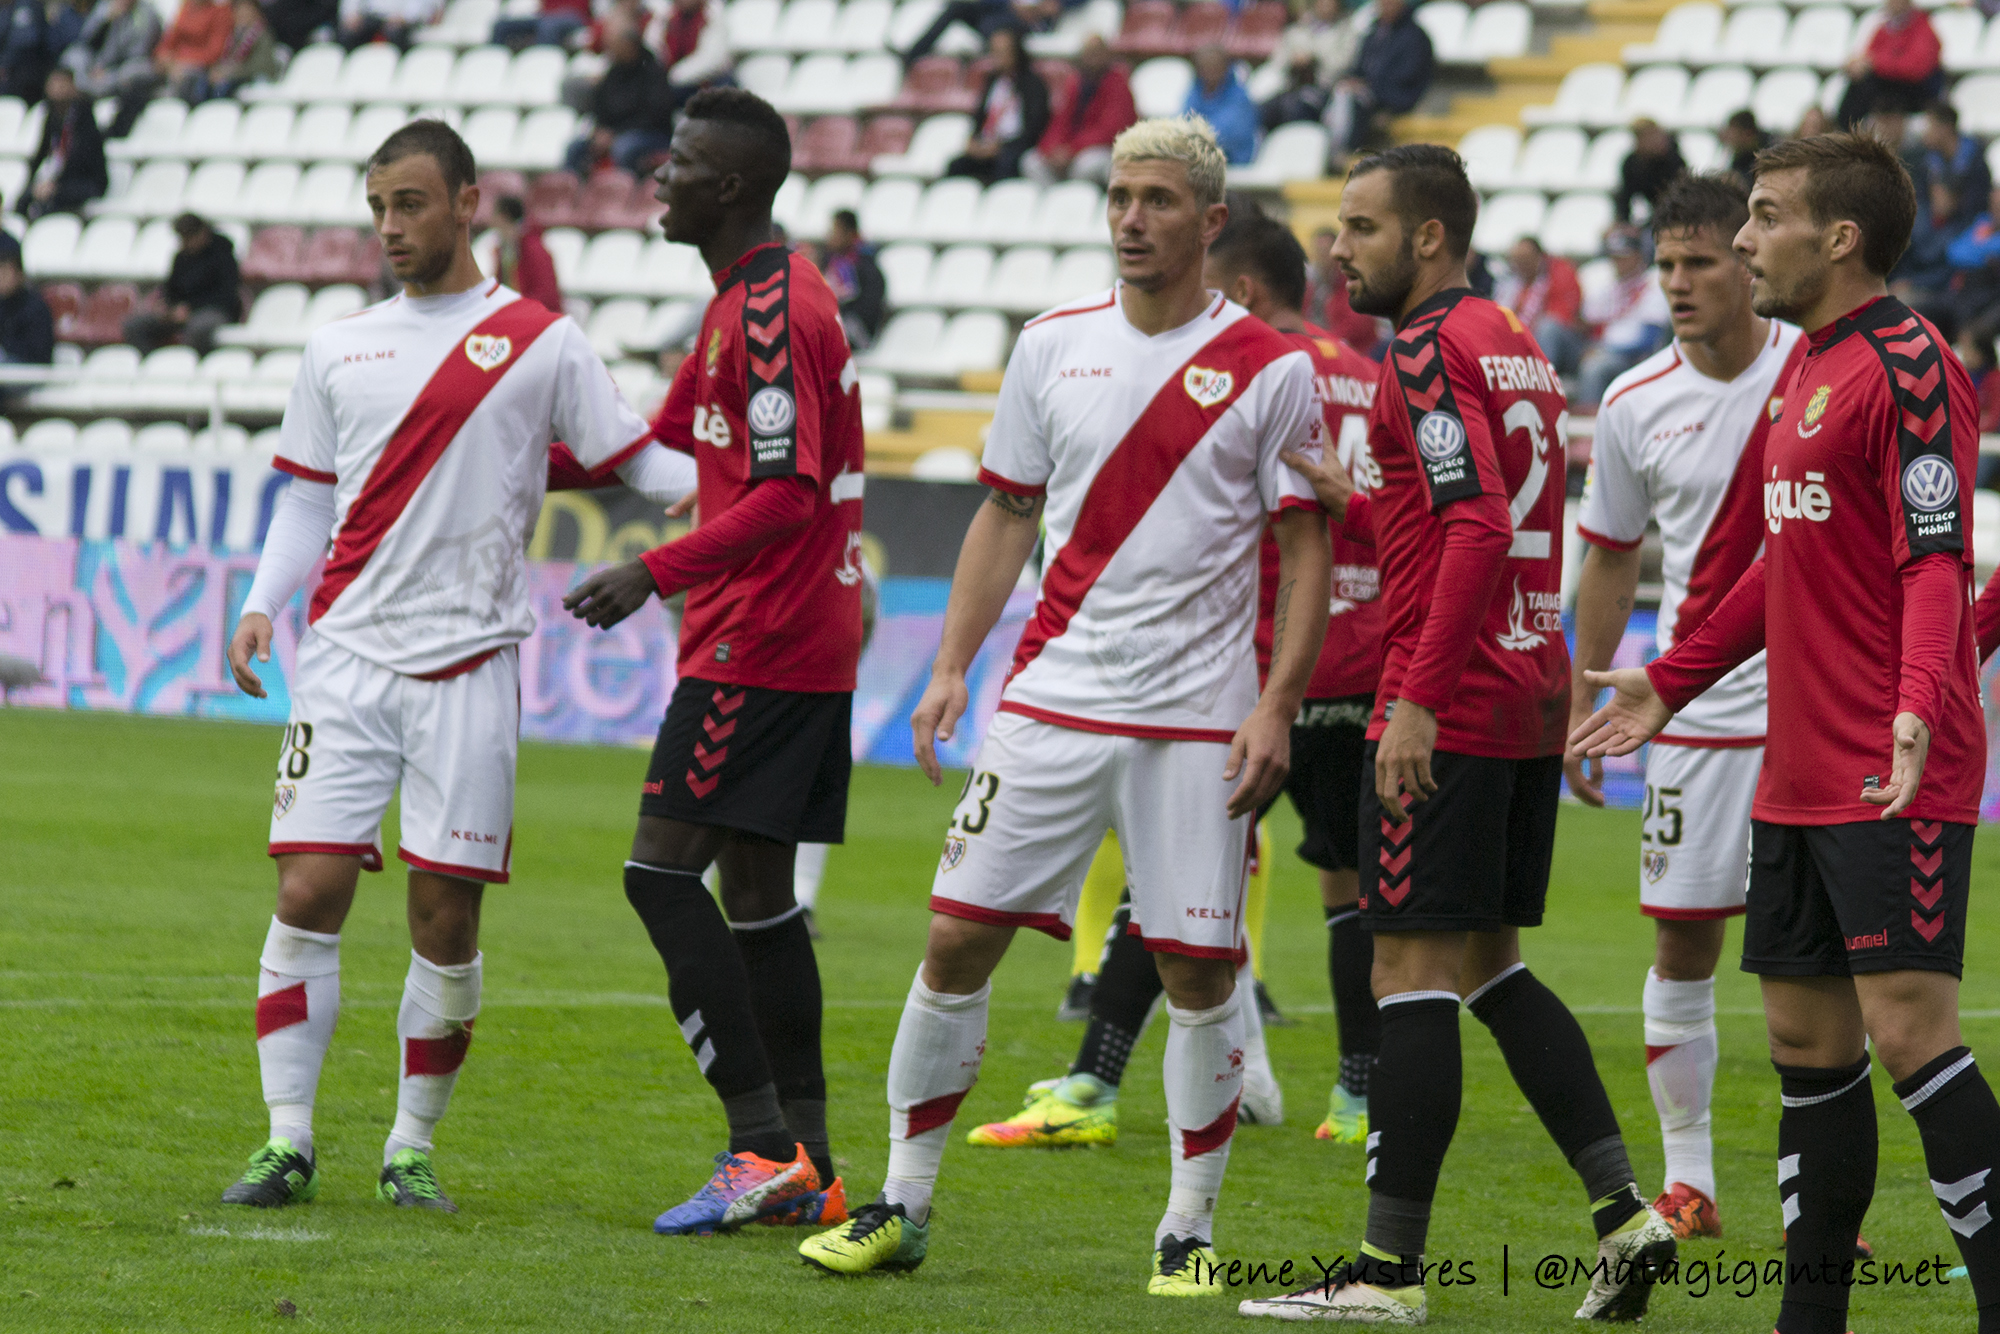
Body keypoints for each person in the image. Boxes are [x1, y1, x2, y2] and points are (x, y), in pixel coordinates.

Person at [796, 115, 1331, 1295]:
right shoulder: (1050, 344)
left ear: (1209, 221)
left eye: (1154, 198)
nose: (1131, 217)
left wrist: (1277, 703)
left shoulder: (1273, 367)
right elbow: (1002, 512)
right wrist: (948, 666)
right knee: (953, 939)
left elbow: (1304, 546)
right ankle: (903, 1198)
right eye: (1116, 195)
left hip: (1199, 713)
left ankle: (1185, 1226)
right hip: (1054, 696)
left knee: (1198, 970)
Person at [218, 118, 694, 1213]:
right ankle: (286, 1139)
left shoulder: (541, 340)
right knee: (308, 886)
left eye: (412, 203)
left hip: (471, 663)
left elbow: (637, 460)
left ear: (469, 201)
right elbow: (306, 494)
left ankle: (409, 1145)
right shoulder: (336, 346)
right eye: (379, 205)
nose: (391, 225)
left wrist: (751, 472)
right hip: (342, 654)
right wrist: (259, 603)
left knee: (446, 918)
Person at [1239, 143, 1676, 1324]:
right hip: (1524, 694)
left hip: (1457, 698)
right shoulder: (1511, 343)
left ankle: (1384, 1273)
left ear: (1427, 236)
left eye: (1361, 228)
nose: (1338, 249)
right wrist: (1360, 500)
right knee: (1487, 963)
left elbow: (1474, 525)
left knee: (1404, 971)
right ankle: (1623, 1212)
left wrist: (1416, 695)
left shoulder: (1426, 348)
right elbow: (1475, 507)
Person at [1573, 131, 2000, 1334]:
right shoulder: (1802, 371)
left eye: (1762, 217)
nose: (1743, 238)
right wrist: (1671, 678)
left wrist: (1922, 693)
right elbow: (1779, 562)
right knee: (1805, 1046)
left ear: (1839, 237)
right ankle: (1805, 1318)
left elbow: (1933, 555)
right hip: (1794, 763)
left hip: (1888, 756)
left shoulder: (1908, 362)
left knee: (1908, 1033)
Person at [969, 204, 1377, 1152]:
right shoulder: (1365, 374)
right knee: (1350, 890)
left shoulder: (1258, 369)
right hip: (1358, 658)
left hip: (1243, 674)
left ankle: (1092, 1084)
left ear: (1240, 287)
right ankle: (1357, 1098)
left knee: (1166, 886)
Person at [560, 86, 866, 1237]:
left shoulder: (775, 310)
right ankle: (813, 1161)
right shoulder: (738, 303)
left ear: (729, 185)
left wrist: (655, 569)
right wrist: (472, 453)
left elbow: (786, 488)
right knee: (756, 899)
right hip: (786, 631)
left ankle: (756, 1141)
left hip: (763, 635)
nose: (658, 174)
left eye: (680, 161)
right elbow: (653, 448)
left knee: (657, 871)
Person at [1567, 172, 1807, 1244]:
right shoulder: (1630, 401)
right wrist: (1583, 689)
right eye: (1665, 265)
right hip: (1687, 713)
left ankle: (1821, 1194)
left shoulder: (1816, 370)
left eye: (1700, 262)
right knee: (1680, 945)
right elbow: (1611, 556)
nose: (1676, 283)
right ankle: (1690, 1180)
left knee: (1823, 955)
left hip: (1813, 705)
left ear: (1747, 266)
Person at [566, 26, 679, 178]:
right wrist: (600, 130)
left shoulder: (653, 72)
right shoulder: (613, 72)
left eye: (616, 47)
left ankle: (622, 194)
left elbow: (655, 114)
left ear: (630, 47)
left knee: (624, 148)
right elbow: (600, 106)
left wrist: (616, 134)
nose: (611, 52)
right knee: (575, 148)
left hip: (652, 134)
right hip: (616, 132)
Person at [1022, 34, 1134, 186]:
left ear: (1107, 55)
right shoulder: (1075, 83)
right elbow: (1059, 122)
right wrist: (1052, 149)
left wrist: (1072, 150)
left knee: (1085, 166)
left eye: (1097, 53)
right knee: (1031, 161)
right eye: (1088, 53)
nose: (1092, 58)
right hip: (1070, 150)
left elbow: (1111, 130)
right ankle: (1056, 200)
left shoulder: (1118, 83)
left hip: (1102, 149)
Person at [123, 212, 242, 353]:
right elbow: (172, 288)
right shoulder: (181, 257)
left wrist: (190, 308)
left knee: (197, 328)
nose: (185, 243)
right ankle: (149, 362)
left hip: (214, 310)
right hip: (181, 312)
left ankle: (191, 365)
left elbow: (226, 295)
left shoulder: (223, 255)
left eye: (189, 237)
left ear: (202, 233)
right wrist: (167, 306)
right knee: (134, 325)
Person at [1578, 224, 1670, 405]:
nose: (1618, 262)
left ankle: (1586, 424)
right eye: (1615, 257)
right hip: (1600, 348)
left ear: (1638, 256)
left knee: (1595, 368)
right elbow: (1585, 323)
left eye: (1624, 256)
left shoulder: (1653, 282)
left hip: (1634, 356)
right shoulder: (1607, 285)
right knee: (1551, 331)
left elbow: (1650, 339)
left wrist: (1604, 350)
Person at [1325, 0, 1432, 154]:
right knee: (1332, 93)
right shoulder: (1372, 33)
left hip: (1395, 97)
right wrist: (1351, 80)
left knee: (1353, 102)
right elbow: (1358, 67)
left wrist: (1369, 85)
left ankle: (1345, 152)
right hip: (1368, 92)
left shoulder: (1415, 37)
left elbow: (1408, 77)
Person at [945, 26, 1047, 184]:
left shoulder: (1032, 84)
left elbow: (1034, 126)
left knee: (1006, 164)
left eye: (1001, 52)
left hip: (1014, 145)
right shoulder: (992, 81)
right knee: (956, 165)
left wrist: (1001, 146)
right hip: (987, 143)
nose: (996, 57)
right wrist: (973, 140)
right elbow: (980, 116)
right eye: (993, 51)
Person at [1836, 0, 1941, 130]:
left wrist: (1875, 64)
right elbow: (1870, 55)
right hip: (1892, 86)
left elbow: (1916, 68)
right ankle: (1846, 128)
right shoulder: (1886, 28)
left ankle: (1847, 129)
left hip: (1918, 90)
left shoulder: (1923, 28)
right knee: (1858, 83)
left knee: (1866, 85)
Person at [1259, 0, 1359, 131]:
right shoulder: (1299, 28)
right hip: (1291, 87)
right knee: (1264, 110)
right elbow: (1277, 61)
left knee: (1296, 110)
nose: (1325, 5)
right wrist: (1292, 60)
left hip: (1324, 89)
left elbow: (1345, 63)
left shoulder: (1346, 30)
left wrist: (1314, 58)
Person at [23, 68, 107, 220]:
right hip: (57, 179)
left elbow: (83, 161)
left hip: (84, 182)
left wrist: (56, 186)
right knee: (24, 199)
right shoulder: (51, 117)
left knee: (55, 200)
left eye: (61, 84)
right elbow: (42, 152)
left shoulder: (84, 117)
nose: (56, 89)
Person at [1493, 235, 1584, 374]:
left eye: (1526, 258)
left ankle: (1542, 380)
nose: (1522, 264)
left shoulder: (1558, 275)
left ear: (1539, 257)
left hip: (1563, 344)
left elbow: (1563, 318)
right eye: (1517, 259)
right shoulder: (1508, 285)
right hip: (1520, 344)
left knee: (1548, 326)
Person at [64, 0, 161, 126]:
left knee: (132, 70)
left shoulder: (146, 14)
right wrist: (106, 20)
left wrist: (109, 70)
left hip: (129, 66)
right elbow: (86, 38)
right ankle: (81, 93)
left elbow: (139, 52)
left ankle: (90, 92)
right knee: (74, 56)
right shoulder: (106, 8)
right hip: (103, 66)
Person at [1305, 224, 1386, 352]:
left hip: (1359, 352)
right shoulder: (1312, 285)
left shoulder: (1351, 280)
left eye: (1325, 251)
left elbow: (1358, 324)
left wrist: (1322, 340)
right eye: (1318, 251)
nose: (1322, 256)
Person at [816, 208, 885, 349]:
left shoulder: (867, 267)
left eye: (836, 231)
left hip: (857, 331)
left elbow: (869, 309)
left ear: (851, 234)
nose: (831, 236)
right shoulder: (828, 262)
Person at [151, 0, 234, 114]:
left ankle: (171, 113)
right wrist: (164, 57)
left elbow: (214, 52)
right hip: (174, 64)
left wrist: (181, 62)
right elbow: (168, 41)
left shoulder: (220, 12)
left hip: (199, 68)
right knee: (137, 74)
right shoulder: (185, 8)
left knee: (183, 78)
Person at [186, 0, 279, 102]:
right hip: (232, 74)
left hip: (251, 77)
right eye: (239, 11)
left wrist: (229, 73)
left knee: (222, 86)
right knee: (201, 82)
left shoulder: (262, 36)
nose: (242, 15)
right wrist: (218, 71)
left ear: (255, 12)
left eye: (246, 11)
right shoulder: (234, 35)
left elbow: (260, 66)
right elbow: (224, 58)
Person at [0, 229, 56, 396]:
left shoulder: (35, 307)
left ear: (19, 272)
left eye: (4, 270)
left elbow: (38, 355)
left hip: (26, 371)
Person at [1182, 45, 1257, 166]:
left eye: (1215, 66)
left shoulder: (1240, 96)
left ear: (1225, 67)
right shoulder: (1195, 91)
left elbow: (1230, 135)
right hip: (1198, 158)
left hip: (1233, 161)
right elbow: (1183, 121)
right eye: (1204, 66)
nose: (1210, 71)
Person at [489, 195, 561, 315]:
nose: (491, 221)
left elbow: (547, 295)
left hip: (539, 318)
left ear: (503, 217)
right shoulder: (504, 249)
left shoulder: (534, 250)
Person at [659, 0, 731, 115]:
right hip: (675, 85)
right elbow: (655, 50)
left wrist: (674, 75)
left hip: (704, 81)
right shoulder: (667, 17)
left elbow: (713, 61)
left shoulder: (713, 14)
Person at [1918, 102, 1990, 212]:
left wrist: (1953, 201)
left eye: (1930, 126)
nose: (1925, 133)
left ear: (1945, 128)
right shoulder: (1928, 158)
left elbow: (1978, 202)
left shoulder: (1975, 159)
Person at [1616, 118, 1687, 224]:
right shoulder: (1632, 164)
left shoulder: (1675, 162)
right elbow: (1625, 197)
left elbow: (1680, 199)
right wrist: (1623, 223)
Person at [337, 0, 438, 51]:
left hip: (401, 20)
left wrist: (406, 17)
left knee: (396, 34)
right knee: (347, 35)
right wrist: (351, 14)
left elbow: (418, 6)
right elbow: (351, 8)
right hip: (371, 17)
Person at [490, 0, 589, 49]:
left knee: (548, 26)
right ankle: (492, 65)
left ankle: (543, 65)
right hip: (546, 15)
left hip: (576, 15)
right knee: (501, 26)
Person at [1719, 109, 1768, 182]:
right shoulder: (1740, 157)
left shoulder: (1770, 152)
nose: (1730, 139)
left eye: (1734, 134)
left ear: (1747, 133)